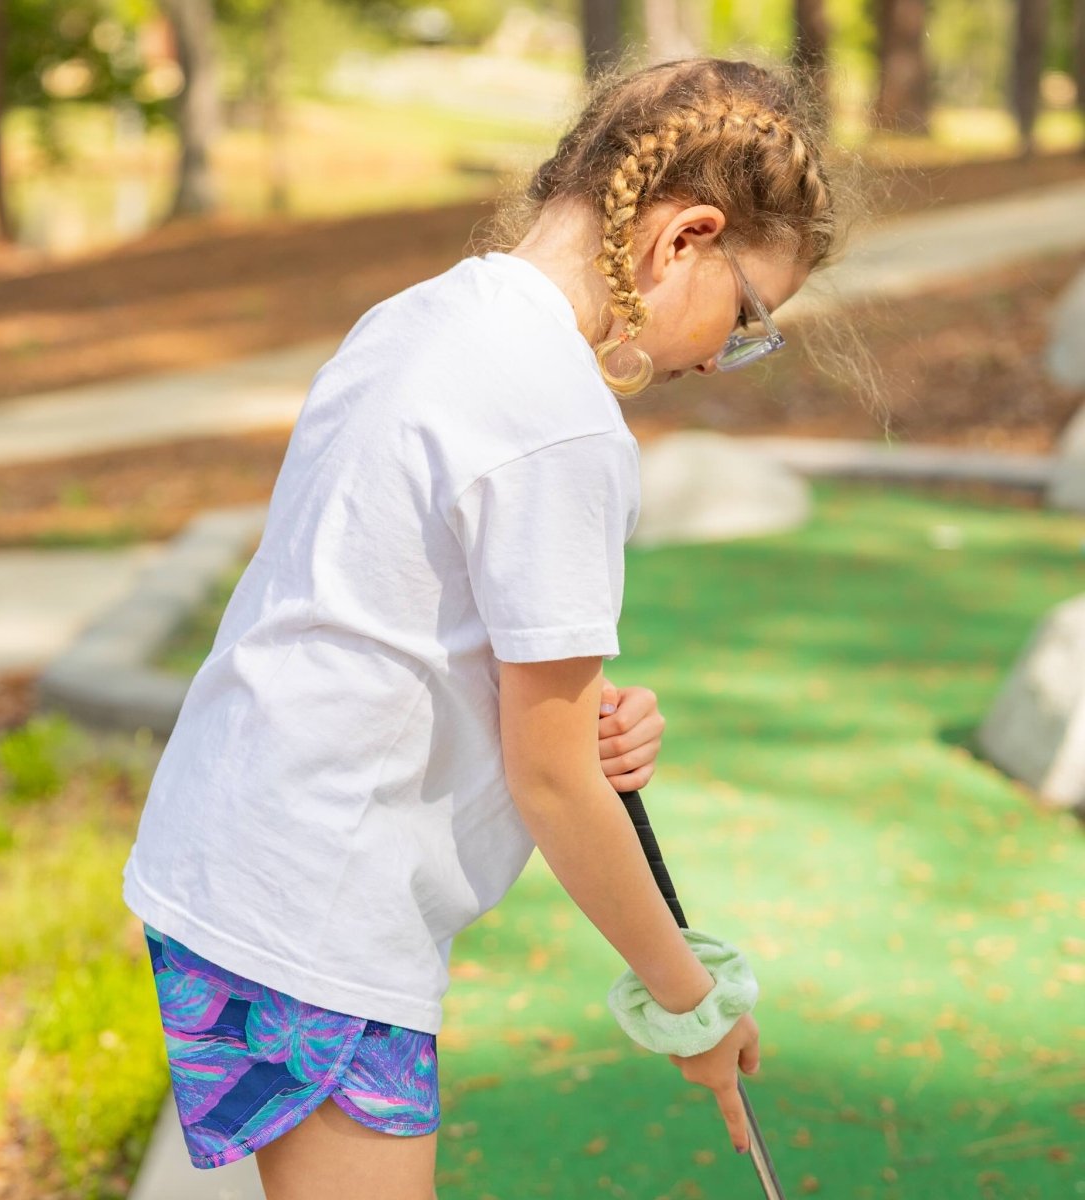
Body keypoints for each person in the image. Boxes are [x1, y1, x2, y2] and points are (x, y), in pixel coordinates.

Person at [122, 54, 840, 1200]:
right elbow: (554, 783)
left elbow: (385, 605)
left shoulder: (426, 316)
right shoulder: (561, 422)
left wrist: (562, 716)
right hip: (324, 904)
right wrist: (687, 1001)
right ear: (685, 237)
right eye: (748, 319)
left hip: (232, 844)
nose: (719, 356)